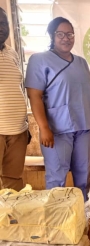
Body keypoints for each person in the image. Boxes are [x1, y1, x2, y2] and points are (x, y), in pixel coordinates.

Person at [25, 17, 90, 201]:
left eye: (70, 34)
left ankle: (81, 219)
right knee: (56, 178)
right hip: (56, 129)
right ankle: (55, 221)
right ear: (52, 36)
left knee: (83, 178)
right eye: (60, 34)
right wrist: (43, 128)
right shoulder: (39, 60)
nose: (66, 38)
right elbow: (34, 96)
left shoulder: (81, 62)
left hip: (85, 127)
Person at [0, 7, 29, 191]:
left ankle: (10, 218)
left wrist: (25, 123)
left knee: (14, 181)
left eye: (3, 23)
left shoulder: (12, 53)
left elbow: (17, 88)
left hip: (18, 131)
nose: (1, 27)